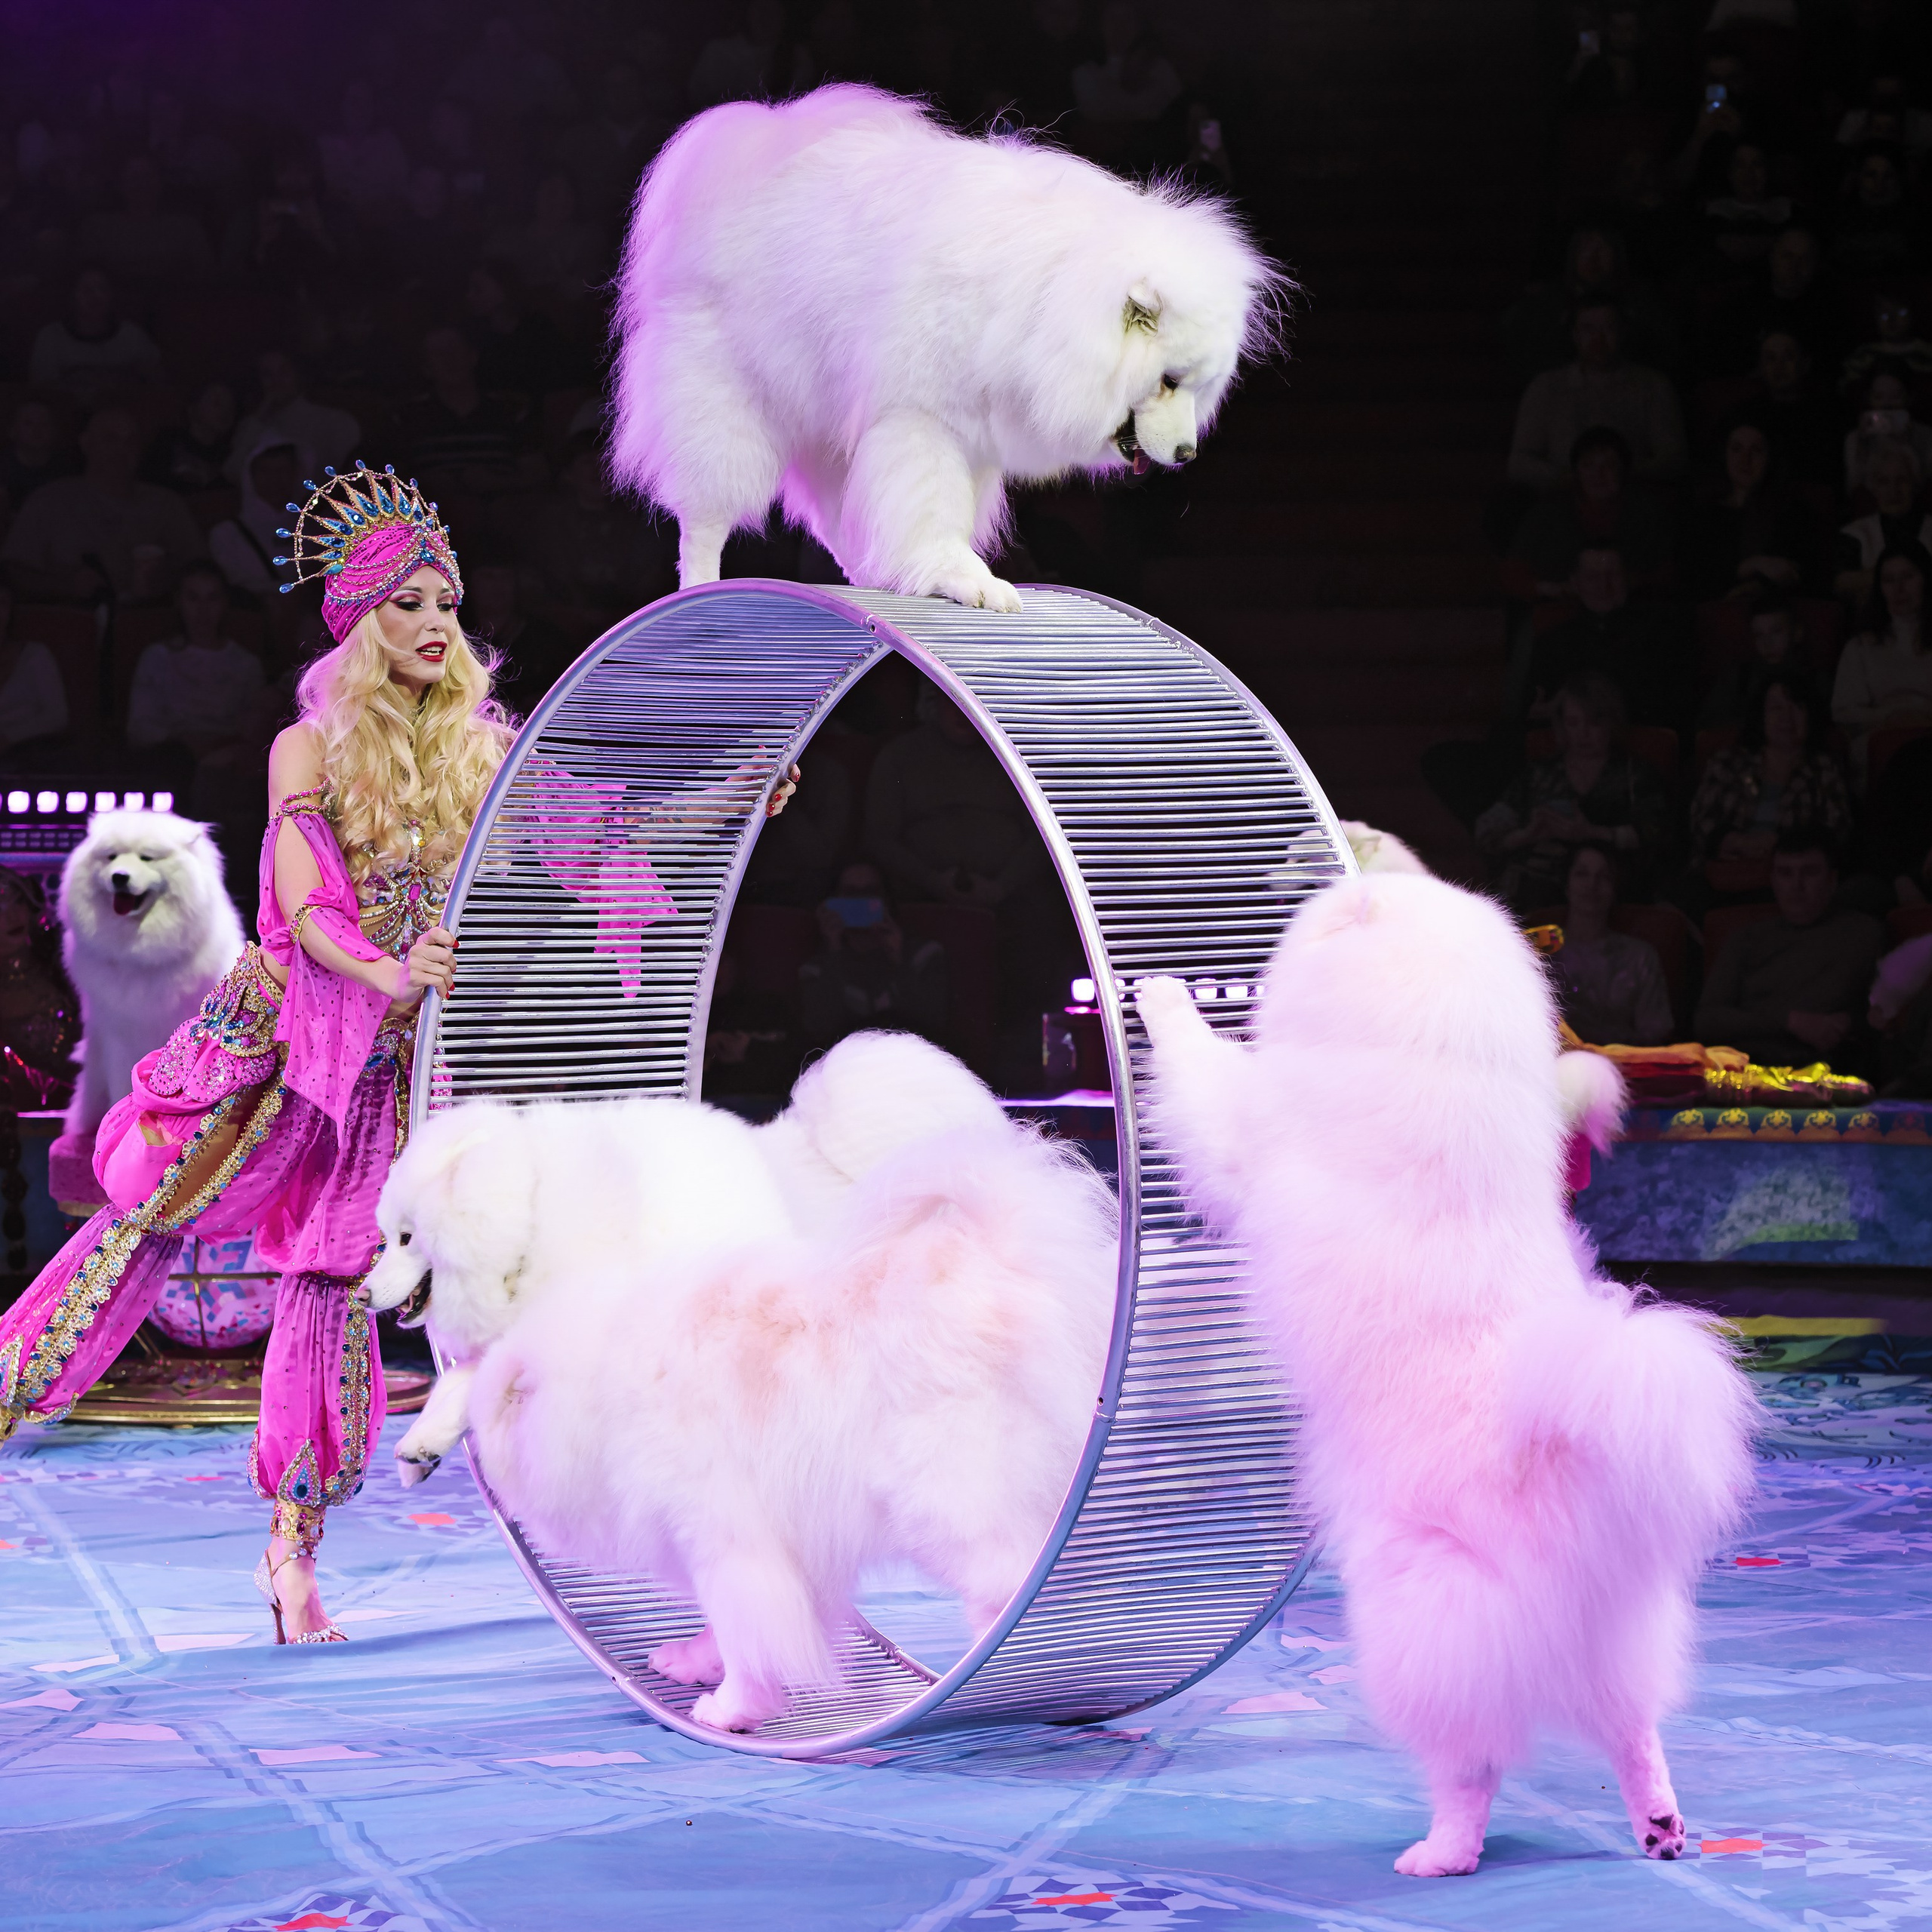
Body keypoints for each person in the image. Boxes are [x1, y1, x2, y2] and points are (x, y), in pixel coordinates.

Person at [0, 466, 500, 1642]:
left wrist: (733, 797)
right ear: (362, 622)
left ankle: (292, 1557)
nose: (436, 626)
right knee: (144, 1221)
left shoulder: (488, 752)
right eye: (411, 604)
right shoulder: (310, 744)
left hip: (385, 1071)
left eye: (448, 604)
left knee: (331, 1282)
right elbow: (304, 898)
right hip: (279, 1046)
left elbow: (588, 827)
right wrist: (384, 973)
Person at [1474, 672, 1670, 911]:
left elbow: (1657, 831)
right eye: (1573, 723)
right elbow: (1488, 830)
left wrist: (1594, 833)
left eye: (1593, 723)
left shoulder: (1633, 773)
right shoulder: (1540, 773)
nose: (1582, 733)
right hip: (1539, 878)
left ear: (1611, 723)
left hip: (1610, 878)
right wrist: (1528, 834)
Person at [1694, 830, 1884, 1066]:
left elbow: (1884, 1013)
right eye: (1785, 873)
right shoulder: (1746, 938)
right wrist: (1789, 1022)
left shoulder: (1862, 934)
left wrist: (1849, 1022)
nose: (1797, 885)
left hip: (1826, 1068)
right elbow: (1707, 1020)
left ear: (1832, 880)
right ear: (1773, 880)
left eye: (1810, 872)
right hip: (1747, 1067)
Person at [2, 405, 205, 604]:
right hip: (73, 624)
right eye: (110, 439)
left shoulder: (167, 504)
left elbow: (201, 569)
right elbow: (15, 569)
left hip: (150, 624)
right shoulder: (49, 499)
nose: (121, 450)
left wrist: (167, 580)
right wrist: (66, 585)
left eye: (130, 441)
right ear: (85, 443)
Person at [125, 561, 271, 817]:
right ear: (178, 602)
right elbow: (139, 726)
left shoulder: (246, 664)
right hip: (170, 757)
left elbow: (255, 729)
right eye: (193, 598)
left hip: (229, 760)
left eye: (212, 598)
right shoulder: (158, 657)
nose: (203, 610)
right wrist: (183, 740)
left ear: (225, 603)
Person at [1687, 670, 1852, 882]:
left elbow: (1838, 831)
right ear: (1761, 716)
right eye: (1777, 708)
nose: (1787, 717)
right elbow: (1700, 819)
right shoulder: (1728, 762)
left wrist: (1782, 845)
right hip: (1723, 875)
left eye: (1797, 707)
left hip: (1797, 881)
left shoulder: (1824, 768)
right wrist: (1730, 841)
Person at [1508, 299, 1688, 491]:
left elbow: (1674, 458)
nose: (1598, 339)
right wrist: (1571, 480)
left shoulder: (1652, 386)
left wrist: (1622, 477)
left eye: (1608, 328)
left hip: (1633, 500)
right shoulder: (1546, 388)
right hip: (1564, 502)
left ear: (1622, 332)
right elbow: (1519, 463)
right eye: (1588, 329)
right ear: (1575, 335)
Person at [1525, 546, 1689, 730]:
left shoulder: (1662, 633)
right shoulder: (1552, 643)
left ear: (1628, 579)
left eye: (1614, 576)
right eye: (1592, 577)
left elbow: (1676, 706)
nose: (1604, 586)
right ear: (1576, 583)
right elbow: (1533, 710)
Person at [1502, 426, 1673, 598]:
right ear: (1576, 472)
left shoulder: (1647, 513)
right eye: (1588, 465)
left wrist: (1634, 584)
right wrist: (1556, 590)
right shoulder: (1546, 515)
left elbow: (1669, 574)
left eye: (1609, 465)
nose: (1598, 474)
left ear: (1623, 470)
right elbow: (1514, 575)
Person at [798, 860, 948, 1051]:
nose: (861, 901)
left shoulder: (925, 956)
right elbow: (821, 1031)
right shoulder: (816, 969)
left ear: (886, 899)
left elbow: (932, 1027)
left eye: (870, 892)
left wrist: (899, 961)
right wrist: (833, 950)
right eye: (851, 894)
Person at [1677, 414, 1815, 599]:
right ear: (1723, 454)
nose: (1745, 459)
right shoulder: (1704, 513)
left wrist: (1760, 586)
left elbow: (1799, 572)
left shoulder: (1791, 511)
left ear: (1770, 458)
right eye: (1736, 449)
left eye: (1756, 450)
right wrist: (1751, 565)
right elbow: (1694, 578)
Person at [1549, 844, 1673, 1046]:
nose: (1592, 885)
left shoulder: (1639, 956)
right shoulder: (1541, 952)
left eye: (1604, 876)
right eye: (1582, 874)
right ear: (1567, 885)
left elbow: (1655, 1033)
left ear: (1615, 888)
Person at [1833, 538, 1932, 775]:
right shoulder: (1860, 647)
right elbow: (1843, 712)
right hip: (1882, 742)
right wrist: (1890, 718)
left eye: (1908, 577)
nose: (1899, 589)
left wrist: (1921, 719)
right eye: (1889, 581)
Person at [0, 869, 78, 1113]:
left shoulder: (60, 951)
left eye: (19, 901)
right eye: (0, 907)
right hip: (64, 1109)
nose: (12, 915)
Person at [26, 268, 162, 404]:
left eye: (103, 288)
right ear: (72, 296)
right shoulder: (52, 337)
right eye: (87, 289)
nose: (96, 296)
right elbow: (44, 392)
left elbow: (157, 382)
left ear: (112, 295)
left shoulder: (133, 336)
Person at [226, 351, 358, 486]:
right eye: (267, 374)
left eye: (283, 371)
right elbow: (233, 473)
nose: (276, 380)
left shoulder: (334, 421)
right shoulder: (251, 426)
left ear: (297, 374)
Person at [1832, 438, 1932, 602]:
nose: (1893, 490)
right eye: (1884, 482)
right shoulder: (1855, 534)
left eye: (1902, 480)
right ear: (1873, 487)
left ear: (1915, 484)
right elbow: (1841, 584)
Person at [208, 439, 305, 598]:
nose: (275, 480)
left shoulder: (317, 529)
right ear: (250, 476)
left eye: (282, 470)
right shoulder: (225, 536)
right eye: (266, 471)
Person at [0, 576, 70, 758]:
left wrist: (9, 738)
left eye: (2, 603)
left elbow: (57, 717)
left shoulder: (35, 656)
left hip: (26, 757)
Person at [1844, 367, 1932, 491]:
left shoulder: (1927, 435)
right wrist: (1862, 447)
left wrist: (1906, 446)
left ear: (1909, 398)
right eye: (1878, 397)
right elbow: (1854, 489)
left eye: (1895, 396)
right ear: (1869, 399)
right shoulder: (1856, 438)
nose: (1887, 405)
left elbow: (1925, 487)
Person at [143, 381, 237, 494]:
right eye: (217, 403)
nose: (226, 411)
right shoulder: (168, 442)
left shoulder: (231, 452)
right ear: (192, 410)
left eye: (231, 406)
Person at [3, 396, 75, 511]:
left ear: (54, 430)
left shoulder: (67, 469)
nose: (37, 430)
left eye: (44, 423)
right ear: (12, 430)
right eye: (28, 423)